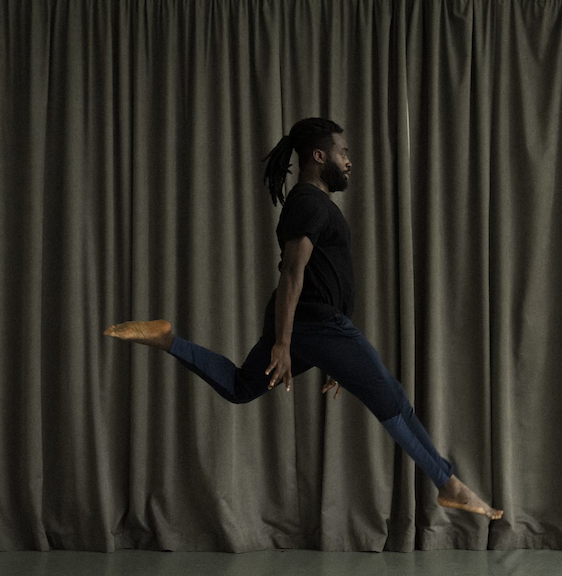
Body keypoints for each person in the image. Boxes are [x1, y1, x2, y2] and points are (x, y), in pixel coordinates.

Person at [104, 118, 503, 520]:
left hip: (311, 329)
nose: (348, 161)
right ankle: (449, 485)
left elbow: (315, 275)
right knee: (392, 400)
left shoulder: (312, 203)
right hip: (315, 324)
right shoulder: (309, 202)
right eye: (342, 152)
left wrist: (327, 357)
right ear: (319, 155)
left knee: (241, 386)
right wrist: (283, 341)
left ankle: (167, 339)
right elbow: (293, 272)